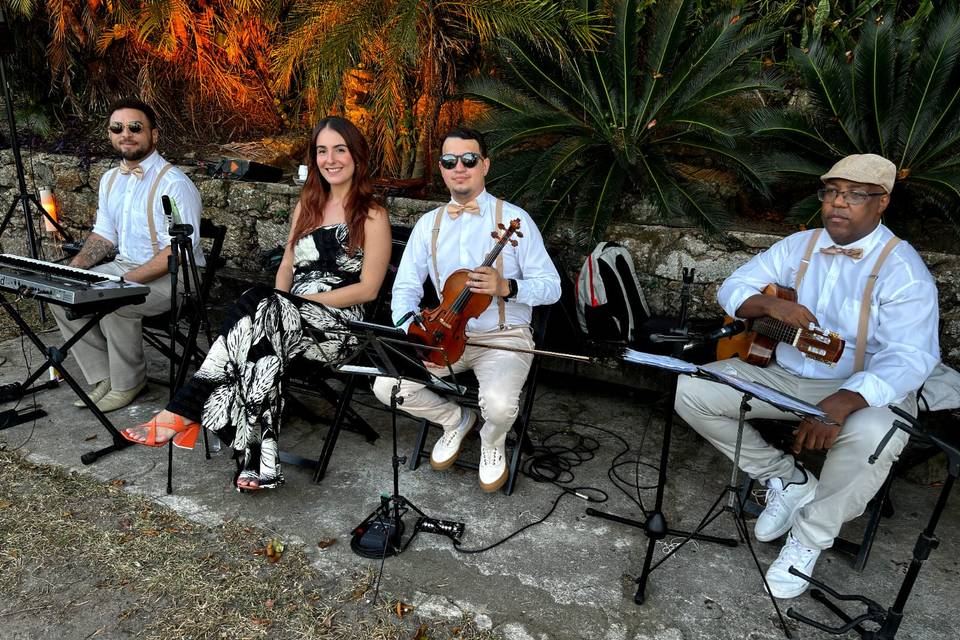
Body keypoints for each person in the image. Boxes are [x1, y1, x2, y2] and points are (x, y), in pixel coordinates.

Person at [674, 154, 940, 599]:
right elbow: (733, 286)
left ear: (882, 203)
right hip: (784, 374)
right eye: (832, 192)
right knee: (692, 388)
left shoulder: (903, 271)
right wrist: (771, 306)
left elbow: (910, 358)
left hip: (861, 387)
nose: (839, 203)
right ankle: (788, 479)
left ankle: (809, 537)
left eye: (855, 195)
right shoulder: (800, 246)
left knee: (878, 434)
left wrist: (841, 403)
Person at [122, 116, 391, 491]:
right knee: (261, 343)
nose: (330, 159)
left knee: (259, 307)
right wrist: (283, 302)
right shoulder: (307, 206)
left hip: (335, 329)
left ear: (356, 156)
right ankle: (258, 465)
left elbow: (368, 290)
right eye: (322, 151)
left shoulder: (373, 215)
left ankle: (187, 410)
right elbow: (286, 265)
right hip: (282, 319)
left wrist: (293, 301)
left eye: (340, 150)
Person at [373, 127, 561, 493]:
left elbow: (552, 287)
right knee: (386, 386)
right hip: (443, 335)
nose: (459, 167)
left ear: (485, 165)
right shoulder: (429, 224)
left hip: (503, 337)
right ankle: (455, 419)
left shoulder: (515, 221)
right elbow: (406, 288)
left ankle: (493, 441)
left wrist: (507, 287)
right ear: (441, 169)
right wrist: (412, 326)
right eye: (449, 161)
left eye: (469, 159)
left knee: (501, 406)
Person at [52, 97, 204, 413]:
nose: (126, 134)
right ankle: (104, 376)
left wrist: (122, 283)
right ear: (110, 134)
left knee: (115, 303)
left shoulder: (175, 184)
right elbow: (104, 234)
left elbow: (175, 253)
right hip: (126, 265)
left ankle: (128, 382)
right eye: (117, 128)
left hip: (177, 276)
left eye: (135, 127)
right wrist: (74, 270)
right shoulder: (110, 180)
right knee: (61, 293)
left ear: (154, 134)